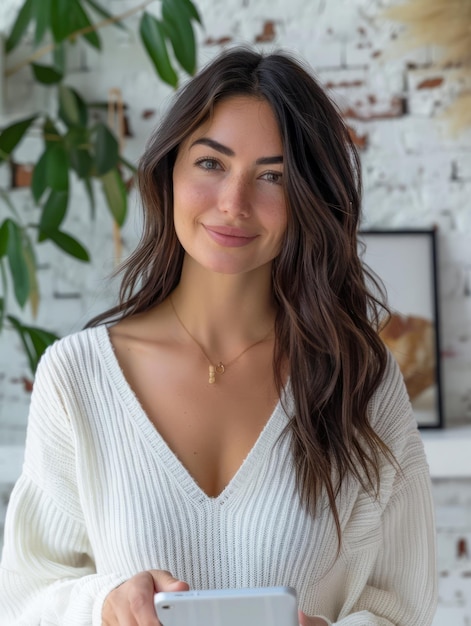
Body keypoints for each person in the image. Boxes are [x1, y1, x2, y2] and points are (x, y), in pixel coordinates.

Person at [0, 47, 437, 626]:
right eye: (211, 163)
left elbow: (402, 604)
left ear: (309, 199)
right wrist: (102, 605)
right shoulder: (76, 377)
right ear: (170, 170)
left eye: (272, 176)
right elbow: (27, 597)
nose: (234, 204)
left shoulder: (362, 378)